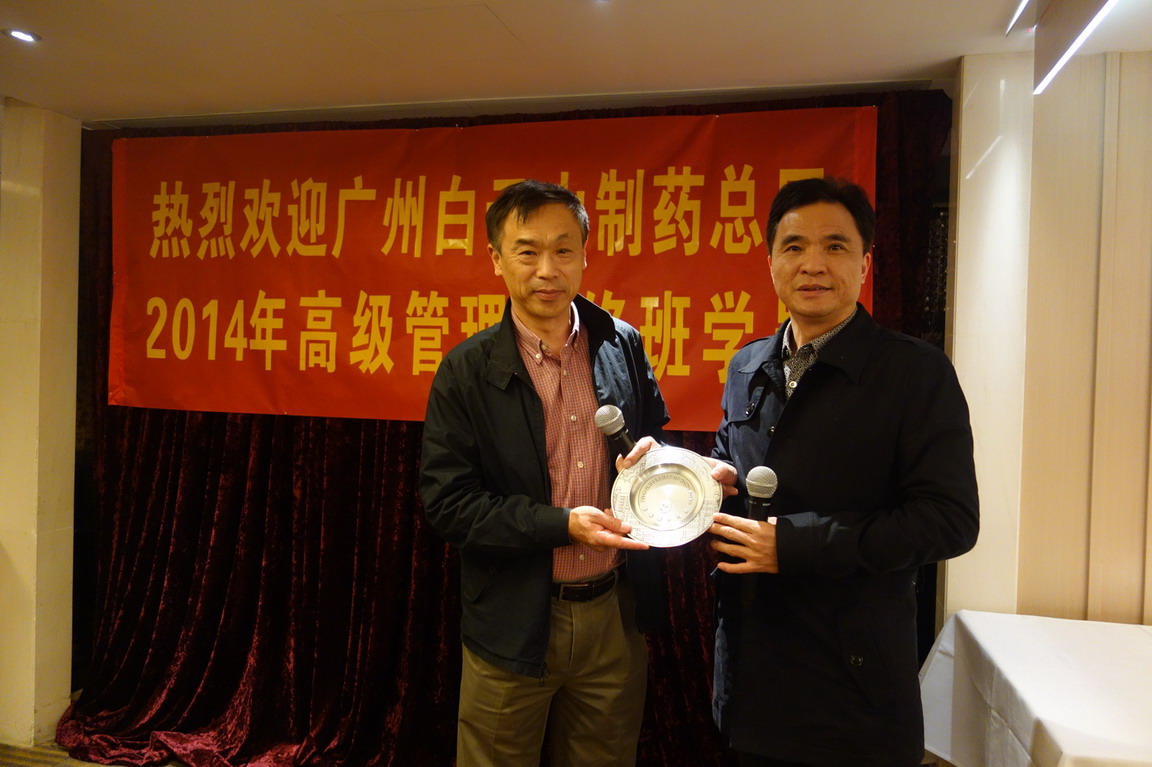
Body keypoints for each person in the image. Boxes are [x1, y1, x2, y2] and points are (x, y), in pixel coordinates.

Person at [703, 176, 980, 766]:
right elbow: (739, 467)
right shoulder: (747, 363)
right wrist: (698, 474)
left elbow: (949, 521)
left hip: (853, 682)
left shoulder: (914, 373)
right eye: (794, 246)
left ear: (864, 263)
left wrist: (795, 544)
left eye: (835, 246)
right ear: (771, 262)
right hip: (753, 671)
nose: (813, 264)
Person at [419, 179, 670, 767]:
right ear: (496, 260)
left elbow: (654, 440)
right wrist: (563, 525)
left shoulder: (622, 343)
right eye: (527, 251)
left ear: (584, 255)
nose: (547, 270)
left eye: (563, 250)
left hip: (614, 613)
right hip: (513, 620)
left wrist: (656, 459)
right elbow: (448, 505)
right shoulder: (465, 370)